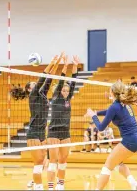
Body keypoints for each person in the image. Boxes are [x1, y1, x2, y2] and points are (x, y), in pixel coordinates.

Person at [10, 55, 61, 190]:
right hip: (33, 132)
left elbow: (49, 78)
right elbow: (43, 77)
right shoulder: (33, 95)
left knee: (44, 160)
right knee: (38, 161)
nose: (35, 84)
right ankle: (37, 186)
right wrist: (51, 62)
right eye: (33, 84)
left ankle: (33, 182)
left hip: (42, 132)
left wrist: (57, 63)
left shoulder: (42, 94)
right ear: (29, 89)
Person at [85, 81, 137, 190]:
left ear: (112, 92)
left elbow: (101, 127)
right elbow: (110, 112)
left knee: (107, 167)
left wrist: (93, 116)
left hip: (130, 140)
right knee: (117, 162)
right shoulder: (124, 103)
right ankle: (134, 183)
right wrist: (97, 113)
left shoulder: (115, 106)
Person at [47, 55, 79, 190]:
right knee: (53, 161)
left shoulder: (67, 99)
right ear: (58, 91)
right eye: (63, 90)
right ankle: (50, 186)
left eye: (67, 90)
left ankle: (60, 184)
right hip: (53, 132)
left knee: (63, 160)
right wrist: (65, 66)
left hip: (65, 132)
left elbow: (73, 82)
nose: (66, 92)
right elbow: (61, 81)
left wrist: (75, 65)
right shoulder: (55, 98)